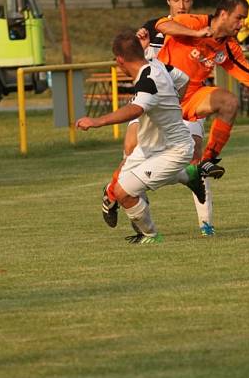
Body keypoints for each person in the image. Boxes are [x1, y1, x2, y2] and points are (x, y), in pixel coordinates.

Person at [101, 0, 219, 237]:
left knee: (195, 156)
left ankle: (206, 224)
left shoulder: (202, 31)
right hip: (151, 100)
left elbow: (209, 57)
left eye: (186, 0)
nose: (181, 6)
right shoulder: (154, 28)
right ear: (168, 0)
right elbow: (139, 58)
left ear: (193, 1)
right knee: (132, 147)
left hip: (185, 100)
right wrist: (144, 46)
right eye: (175, 0)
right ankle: (118, 195)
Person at [76, 31, 206, 244]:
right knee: (119, 189)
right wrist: (172, 105)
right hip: (149, 146)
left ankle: (151, 236)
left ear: (119, 60)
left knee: (125, 193)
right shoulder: (159, 65)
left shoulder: (148, 81)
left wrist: (97, 121)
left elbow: (135, 110)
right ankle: (189, 176)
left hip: (175, 149)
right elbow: (184, 79)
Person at [156, 0, 249, 172]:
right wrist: (196, 33)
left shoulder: (229, 47)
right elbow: (162, 25)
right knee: (133, 153)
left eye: (244, 19)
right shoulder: (194, 22)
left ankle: (208, 159)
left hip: (190, 99)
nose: (242, 24)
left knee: (229, 102)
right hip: (159, 96)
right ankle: (112, 194)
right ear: (223, 14)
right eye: (239, 18)